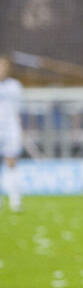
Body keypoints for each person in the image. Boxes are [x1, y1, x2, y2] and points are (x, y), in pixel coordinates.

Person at [0, 54, 24, 213]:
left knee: (11, 163)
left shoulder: (15, 86)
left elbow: (21, 109)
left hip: (10, 131)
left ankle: (15, 201)